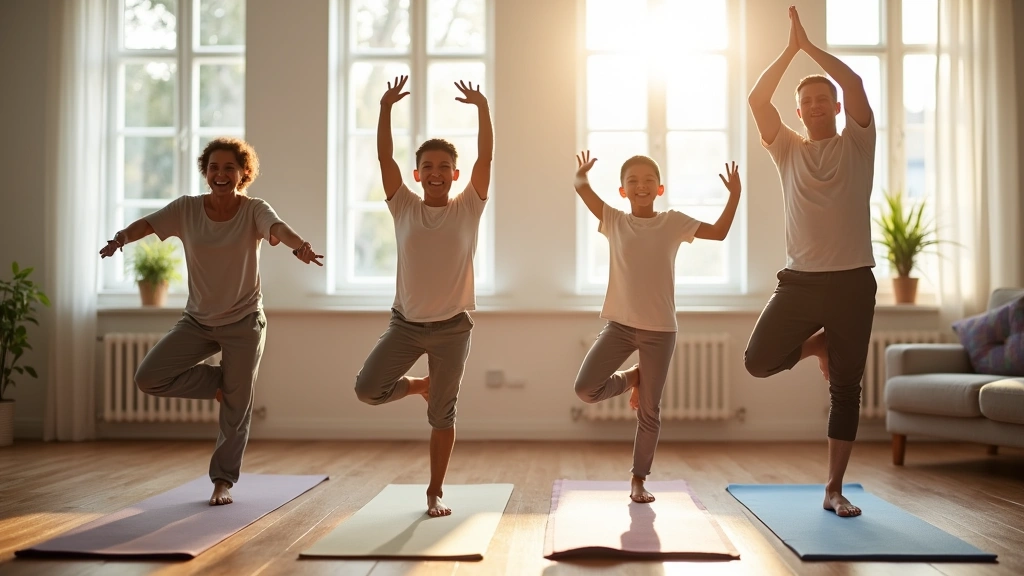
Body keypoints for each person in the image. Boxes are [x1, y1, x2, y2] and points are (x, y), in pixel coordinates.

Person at [99, 137, 323, 506]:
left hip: (244, 321)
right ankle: (223, 384)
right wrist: (121, 239)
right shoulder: (187, 209)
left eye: (229, 168)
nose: (221, 174)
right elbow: (148, 224)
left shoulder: (253, 210)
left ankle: (222, 480)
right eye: (214, 167)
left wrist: (299, 246)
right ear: (206, 172)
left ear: (243, 173)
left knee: (235, 411)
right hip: (197, 321)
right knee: (148, 377)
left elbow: (278, 227)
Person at [744, 5, 877, 517]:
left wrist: (813, 49)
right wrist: (790, 50)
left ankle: (833, 488)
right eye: (806, 102)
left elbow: (856, 82)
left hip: (852, 283)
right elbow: (758, 100)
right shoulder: (787, 149)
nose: (816, 105)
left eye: (823, 99)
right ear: (798, 113)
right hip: (799, 283)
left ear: (836, 107)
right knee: (758, 360)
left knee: (846, 389)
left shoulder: (858, 143)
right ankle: (818, 343)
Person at [353, 76, 492, 517]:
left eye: (444, 166)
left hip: (453, 329)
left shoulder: (469, 205)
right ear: (417, 174)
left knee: (443, 416)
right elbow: (383, 157)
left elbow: (486, 157)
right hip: (406, 325)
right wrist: (385, 108)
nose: (435, 173)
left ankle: (434, 491)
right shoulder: (404, 205)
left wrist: (482, 109)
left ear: (455, 173)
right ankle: (419, 386)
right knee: (368, 389)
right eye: (427, 166)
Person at [573, 150, 741, 503]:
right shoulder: (614, 220)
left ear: (660, 188)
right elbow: (581, 188)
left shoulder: (673, 222)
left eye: (649, 180)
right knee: (586, 388)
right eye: (633, 181)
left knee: (649, 411)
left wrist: (735, 195)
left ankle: (638, 479)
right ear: (622, 190)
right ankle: (634, 376)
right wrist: (582, 174)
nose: (641, 186)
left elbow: (720, 233)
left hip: (660, 329)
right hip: (619, 325)